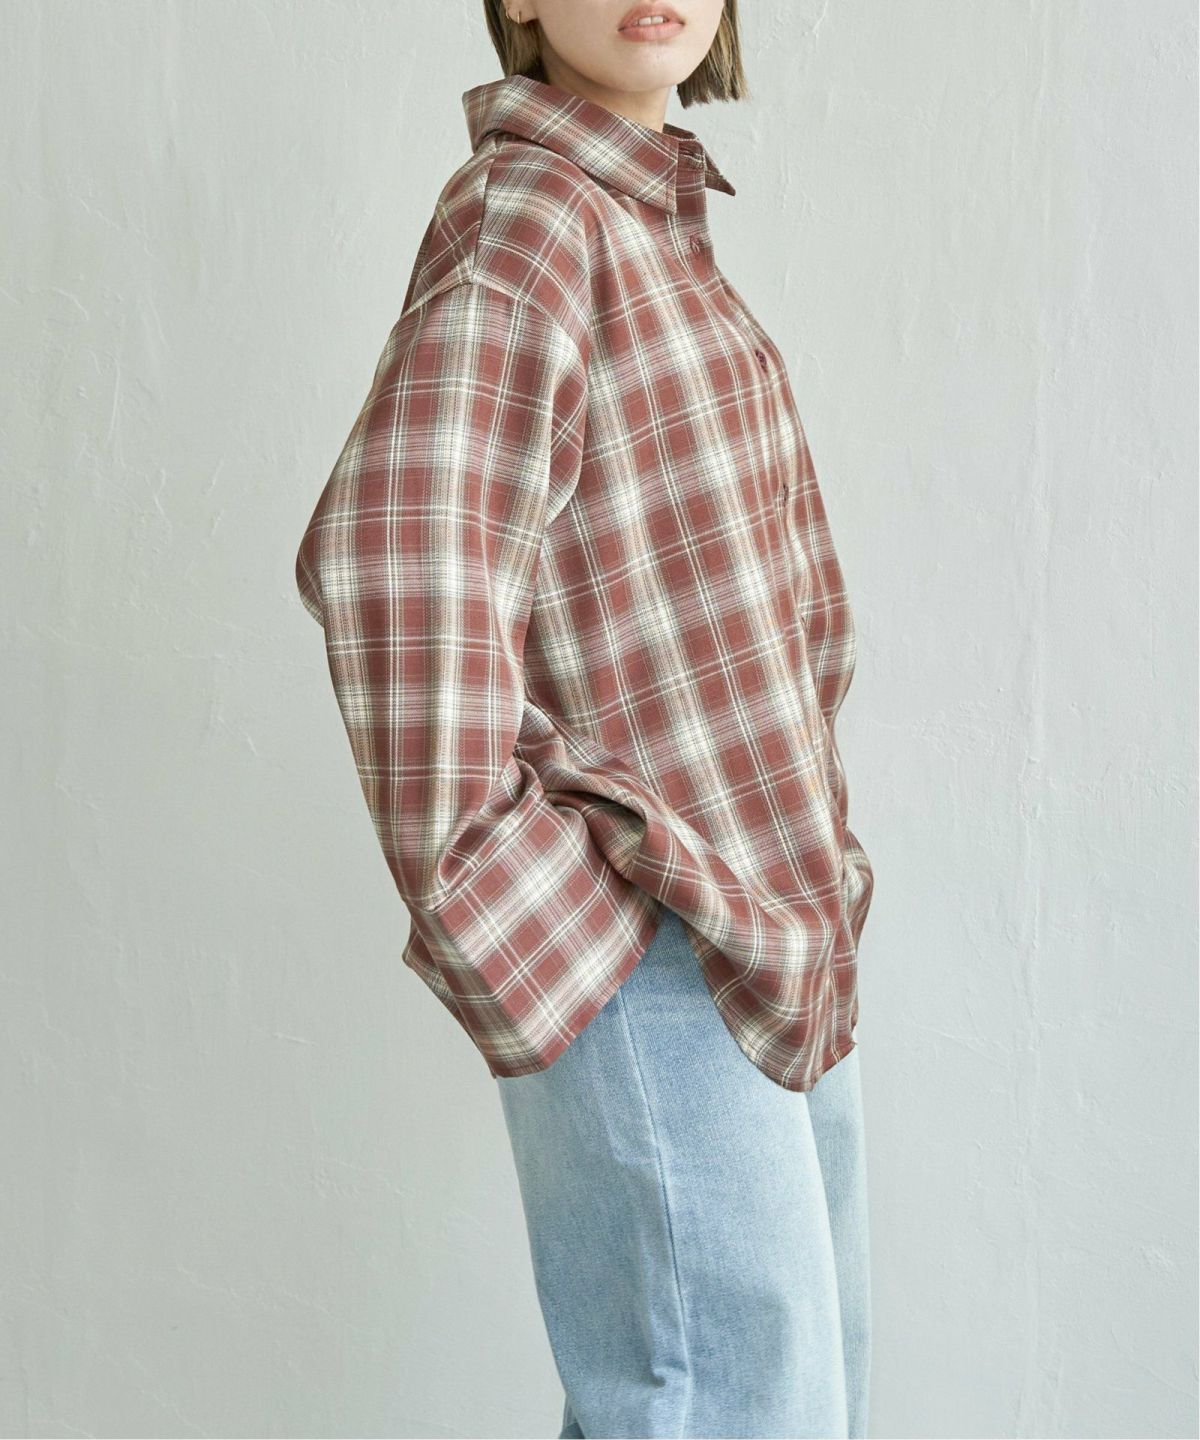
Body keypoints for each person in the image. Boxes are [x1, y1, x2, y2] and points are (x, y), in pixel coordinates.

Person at [294, 2, 873, 1434]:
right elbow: (395, 557)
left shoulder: (646, 224)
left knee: (779, 1393)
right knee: (732, 1403)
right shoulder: (534, 222)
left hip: (766, 912)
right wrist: (528, 912)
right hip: (650, 927)